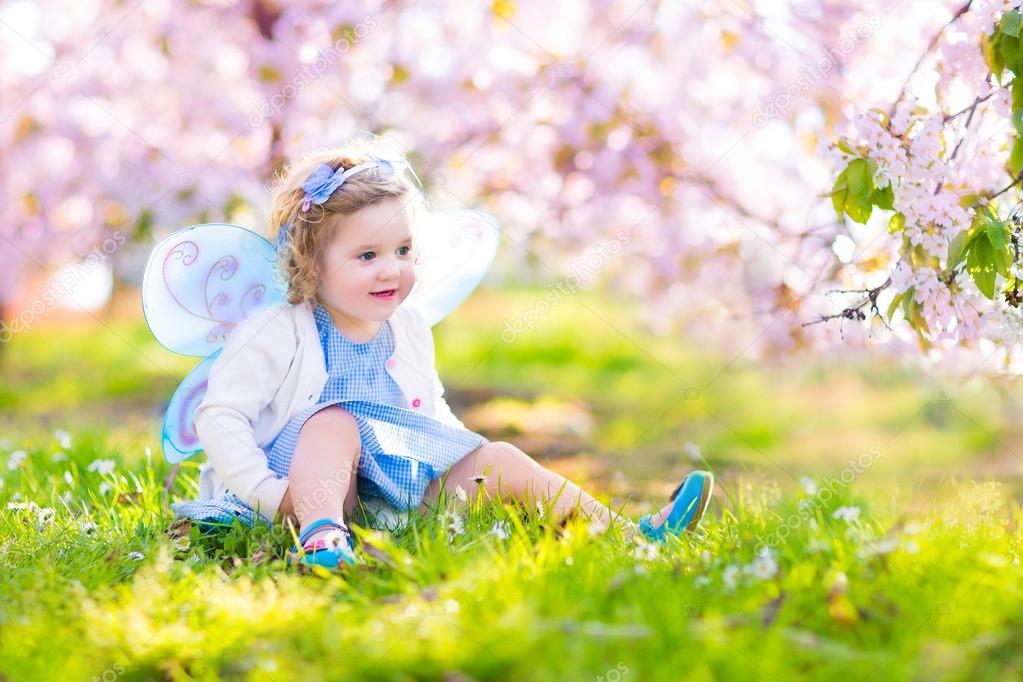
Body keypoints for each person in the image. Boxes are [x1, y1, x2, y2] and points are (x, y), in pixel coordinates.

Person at [171, 139, 714, 569]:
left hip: (384, 496)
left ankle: (631, 534)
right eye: (367, 255)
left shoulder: (406, 328)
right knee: (334, 421)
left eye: (402, 250)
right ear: (310, 263)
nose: (392, 269)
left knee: (497, 456)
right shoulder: (279, 330)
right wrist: (270, 495)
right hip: (298, 493)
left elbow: (429, 416)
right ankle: (321, 540)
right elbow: (221, 417)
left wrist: (464, 460)